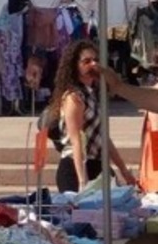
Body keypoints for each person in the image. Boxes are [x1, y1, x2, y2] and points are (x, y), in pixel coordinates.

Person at [44, 41, 137, 194]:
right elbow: (76, 140)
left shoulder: (93, 95)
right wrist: (83, 181)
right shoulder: (74, 97)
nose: (93, 65)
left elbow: (104, 138)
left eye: (96, 60)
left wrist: (124, 171)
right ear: (75, 66)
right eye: (86, 61)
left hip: (98, 164)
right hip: (75, 167)